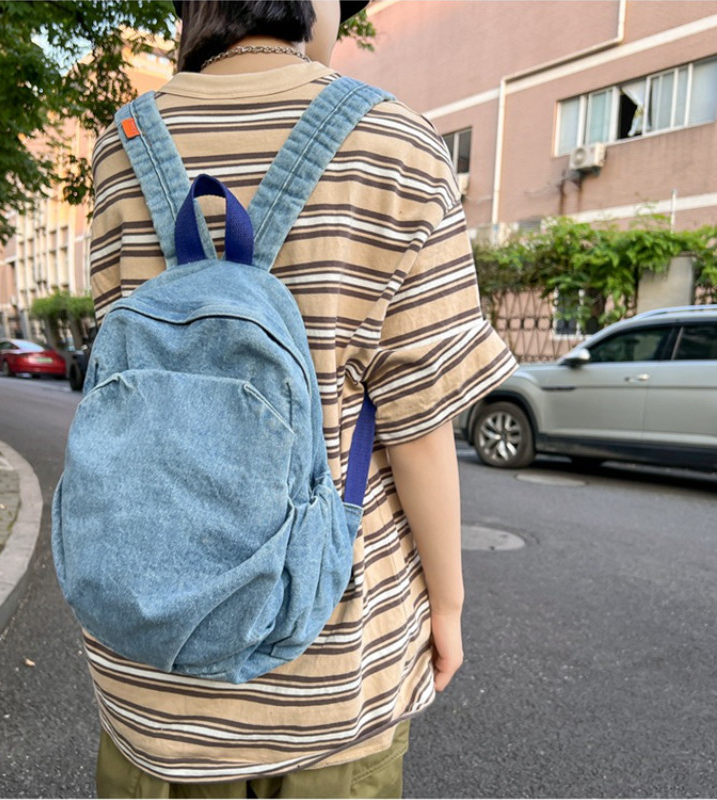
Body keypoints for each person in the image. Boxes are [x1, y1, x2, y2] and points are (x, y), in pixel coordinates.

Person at [86, 2, 516, 797]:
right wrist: (447, 609)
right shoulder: (397, 144)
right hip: (330, 669)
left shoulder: (124, 145)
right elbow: (420, 428)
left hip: (154, 665)